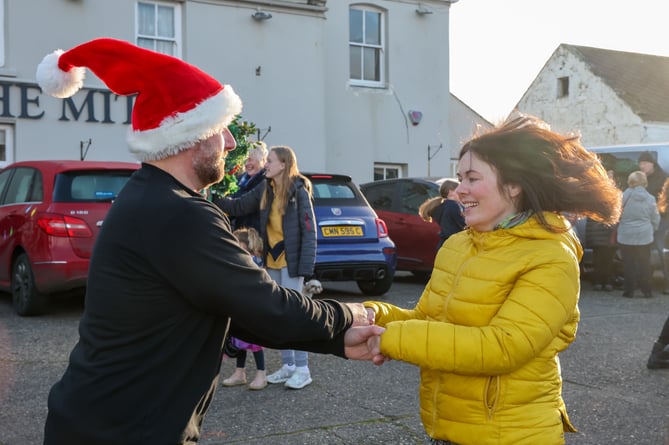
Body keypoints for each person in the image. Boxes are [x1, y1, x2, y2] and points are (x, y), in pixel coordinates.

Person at [36, 38, 383, 445]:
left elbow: (235, 312)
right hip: (124, 431)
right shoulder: (177, 213)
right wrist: (351, 315)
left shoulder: (151, 198)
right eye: (222, 130)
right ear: (193, 134)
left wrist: (338, 341)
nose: (231, 144)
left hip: (101, 423)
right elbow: (265, 305)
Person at [363, 114, 621, 445]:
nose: (459, 191)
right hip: (447, 429)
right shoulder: (458, 245)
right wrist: (371, 316)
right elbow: (429, 320)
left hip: (511, 435)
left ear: (514, 185)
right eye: (459, 178)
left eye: (472, 178)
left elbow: (502, 346)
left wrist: (392, 338)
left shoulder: (551, 256)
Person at [215, 145, 318, 390]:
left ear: (283, 164)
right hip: (272, 261)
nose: (267, 165)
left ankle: (303, 369)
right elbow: (239, 206)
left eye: (270, 161)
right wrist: (212, 196)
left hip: (291, 263)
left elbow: (309, 231)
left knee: (293, 314)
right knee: (279, 315)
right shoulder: (266, 188)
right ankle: (288, 366)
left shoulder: (298, 191)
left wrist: (306, 269)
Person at [222, 227, 268, 390]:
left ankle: (261, 374)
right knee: (239, 339)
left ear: (244, 244)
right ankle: (239, 372)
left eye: (236, 243)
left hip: (252, 307)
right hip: (242, 305)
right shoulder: (246, 259)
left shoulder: (252, 261)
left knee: (255, 343)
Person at [617, 171, 660, 298]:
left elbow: (617, 215)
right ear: (645, 182)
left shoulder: (623, 197)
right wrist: (653, 229)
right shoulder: (651, 198)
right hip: (644, 236)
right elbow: (655, 218)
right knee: (645, 264)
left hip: (626, 235)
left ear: (631, 182)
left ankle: (629, 291)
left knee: (628, 264)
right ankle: (647, 291)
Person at [227, 141, 268, 232]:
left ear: (262, 160)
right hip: (240, 235)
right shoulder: (239, 181)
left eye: (250, 159)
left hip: (256, 237)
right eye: (245, 160)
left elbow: (239, 206)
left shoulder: (265, 182)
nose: (246, 164)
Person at [418, 178, 466, 251]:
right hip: (453, 246)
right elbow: (464, 224)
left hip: (445, 245)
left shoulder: (443, 206)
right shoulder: (452, 205)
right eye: (458, 190)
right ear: (451, 192)